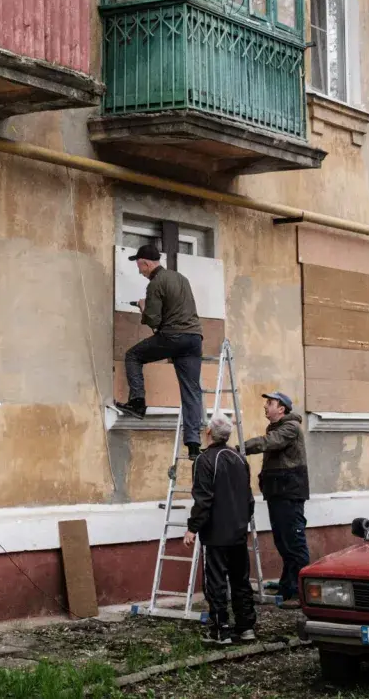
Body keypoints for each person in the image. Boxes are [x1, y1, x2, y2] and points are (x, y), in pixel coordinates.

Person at [115, 243, 205, 459]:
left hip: (173, 336)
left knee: (133, 356)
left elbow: (154, 320)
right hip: (194, 338)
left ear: (145, 263)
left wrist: (143, 307)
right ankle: (193, 445)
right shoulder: (181, 278)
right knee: (191, 391)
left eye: (139, 267)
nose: (139, 271)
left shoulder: (155, 284)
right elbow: (178, 308)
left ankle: (137, 402)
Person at [184, 414, 257, 645]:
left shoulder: (204, 461)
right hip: (238, 532)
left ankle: (220, 630)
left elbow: (203, 500)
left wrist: (192, 528)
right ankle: (246, 627)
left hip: (216, 534)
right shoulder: (239, 459)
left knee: (215, 582)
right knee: (241, 580)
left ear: (208, 433)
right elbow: (249, 498)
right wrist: (242, 522)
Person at [242, 390, 309, 602]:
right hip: (279, 494)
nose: (265, 406)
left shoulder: (290, 427)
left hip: (289, 494)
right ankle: (288, 587)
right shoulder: (278, 427)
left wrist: (240, 449)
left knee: (294, 543)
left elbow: (269, 442)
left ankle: (302, 593)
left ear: (281, 408)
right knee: (283, 542)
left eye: (270, 403)